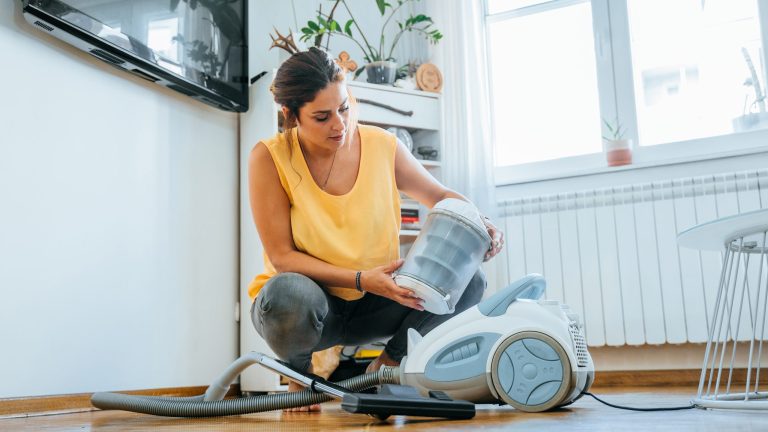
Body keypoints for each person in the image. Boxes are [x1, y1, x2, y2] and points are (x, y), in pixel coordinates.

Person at [247, 47, 504, 412]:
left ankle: (387, 366)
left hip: (380, 298)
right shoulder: (269, 158)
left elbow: (439, 195)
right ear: (290, 115)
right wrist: (360, 278)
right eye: (322, 117)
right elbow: (282, 257)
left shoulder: (383, 145)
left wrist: (483, 223)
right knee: (287, 294)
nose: (339, 124)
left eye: (344, 108)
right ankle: (299, 378)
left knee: (471, 280)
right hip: (312, 307)